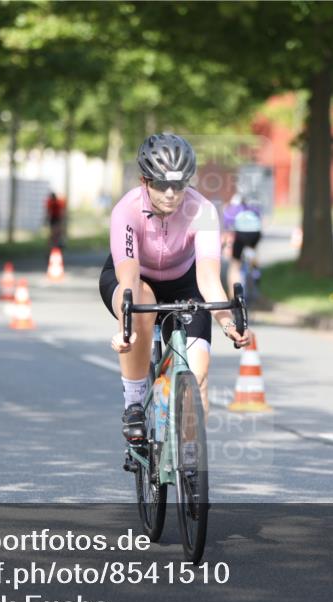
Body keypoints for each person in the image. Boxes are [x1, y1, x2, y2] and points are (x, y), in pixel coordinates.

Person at [99, 132, 252, 451]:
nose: (171, 193)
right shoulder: (126, 211)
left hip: (185, 283)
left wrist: (228, 324)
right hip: (134, 281)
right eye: (161, 184)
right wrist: (126, 330)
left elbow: (209, 279)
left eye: (179, 184)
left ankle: (190, 463)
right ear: (144, 180)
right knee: (143, 300)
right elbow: (128, 279)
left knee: (198, 378)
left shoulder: (203, 210)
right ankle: (135, 404)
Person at [222, 193, 263, 296]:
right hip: (255, 234)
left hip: (241, 234)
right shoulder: (253, 208)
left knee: (235, 265)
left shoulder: (233, 209)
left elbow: (227, 229)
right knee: (253, 255)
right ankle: (255, 274)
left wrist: (224, 244)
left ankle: (234, 296)